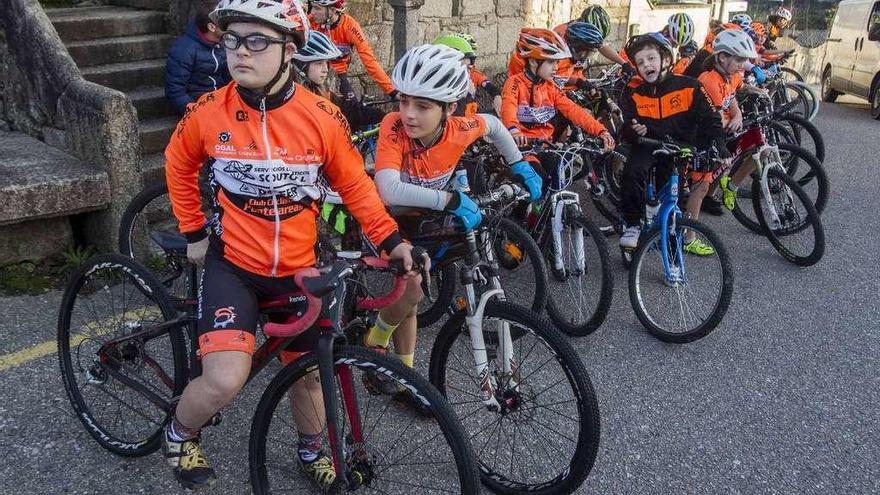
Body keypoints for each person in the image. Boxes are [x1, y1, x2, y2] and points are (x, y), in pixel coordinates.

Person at [162, 0, 416, 490]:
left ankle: (310, 450)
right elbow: (177, 163)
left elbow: (355, 187)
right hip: (233, 267)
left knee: (310, 373)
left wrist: (390, 240)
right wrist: (193, 231)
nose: (240, 51)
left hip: (298, 267)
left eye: (257, 41)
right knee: (224, 380)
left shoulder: (320, 115)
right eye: (232, 39)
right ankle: (179, 432)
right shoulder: (208, 111)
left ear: (288, 51)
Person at [364, 44, 542, 413]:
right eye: (404, 100)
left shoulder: (461, 128)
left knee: (421, 295)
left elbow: (494, 126)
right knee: (411, 289)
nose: (409, 114)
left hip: (428, 217)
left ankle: (403, 378)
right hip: (391, 220)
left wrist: (521, 165)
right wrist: (451, 201)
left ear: (448, 108)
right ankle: (376, 344)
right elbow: (388, 189)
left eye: (423, 106)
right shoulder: (393, 126)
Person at [617, 33, 730, 255]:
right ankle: (632, 224)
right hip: (648, 145)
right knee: (632, 173)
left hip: (678, 148)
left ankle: (669, 237)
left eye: (650, 58)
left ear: (666, 60)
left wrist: (720, 145)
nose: (645, 65)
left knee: (672, 195)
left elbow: (711, 119)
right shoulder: (636, 94)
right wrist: (633, 130)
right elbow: (626, 129)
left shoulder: (690, 87)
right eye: (640, 62)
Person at [501, 28, 615, 150]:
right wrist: (513, 130)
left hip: (546, 147)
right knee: (536, 169)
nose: (556, 68)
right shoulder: (515, 83)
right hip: (522, 148)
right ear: (533, 62)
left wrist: (601, 131)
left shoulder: (550, 86)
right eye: (551, 62)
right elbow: (508, 108)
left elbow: (573, 110)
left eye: (557, 62)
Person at [699, 30, 762, 212]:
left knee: (760, 150)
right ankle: (707, 195)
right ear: (722, 57)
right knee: (723, 158)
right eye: (739, 60)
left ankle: (730, 187)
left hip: (724, 127)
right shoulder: (710, 81)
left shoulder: (731, 76)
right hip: (709, 132)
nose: (743, 65)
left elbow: (732, 96)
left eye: (744, 61)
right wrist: (731, 123)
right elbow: (715, 120)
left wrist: (738, 116)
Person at [292, 30, 384, 130]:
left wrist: (383, 116)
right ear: (301, 66)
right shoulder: (292, 101)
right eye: (319, 63)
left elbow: (348, 112)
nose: (325, 69)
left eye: (326, 63)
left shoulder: (320, 91)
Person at [308, 0, 395, 100]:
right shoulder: (310, 21)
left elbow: (369, 60)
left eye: (317, 8)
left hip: (339, 75)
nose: (312, 12)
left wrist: (391, 91)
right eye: (312, 7)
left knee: (352, 106)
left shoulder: (350, 26)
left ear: (332, 10)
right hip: (314, 72)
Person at [165, 0, 232, 115]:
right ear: (211, 27)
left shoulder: (224, 43)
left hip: (221, 101)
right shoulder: (184, 49)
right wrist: (195, 111)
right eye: (223, 21)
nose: (229, 24)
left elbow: (230, 80)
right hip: (198, 106)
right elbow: (175, 91)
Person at [508, 21, 607, 87]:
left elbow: (560, 81)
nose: (555, 67)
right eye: (552, 62)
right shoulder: (560, 58)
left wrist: (579, 81)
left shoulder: (567, 57)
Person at [432, 33, 503, 116]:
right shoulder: (437, 97)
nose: (468, 73)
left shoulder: (474, 73)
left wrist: (497, 95)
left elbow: (490, 87)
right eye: (464, 67)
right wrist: (469, 96)